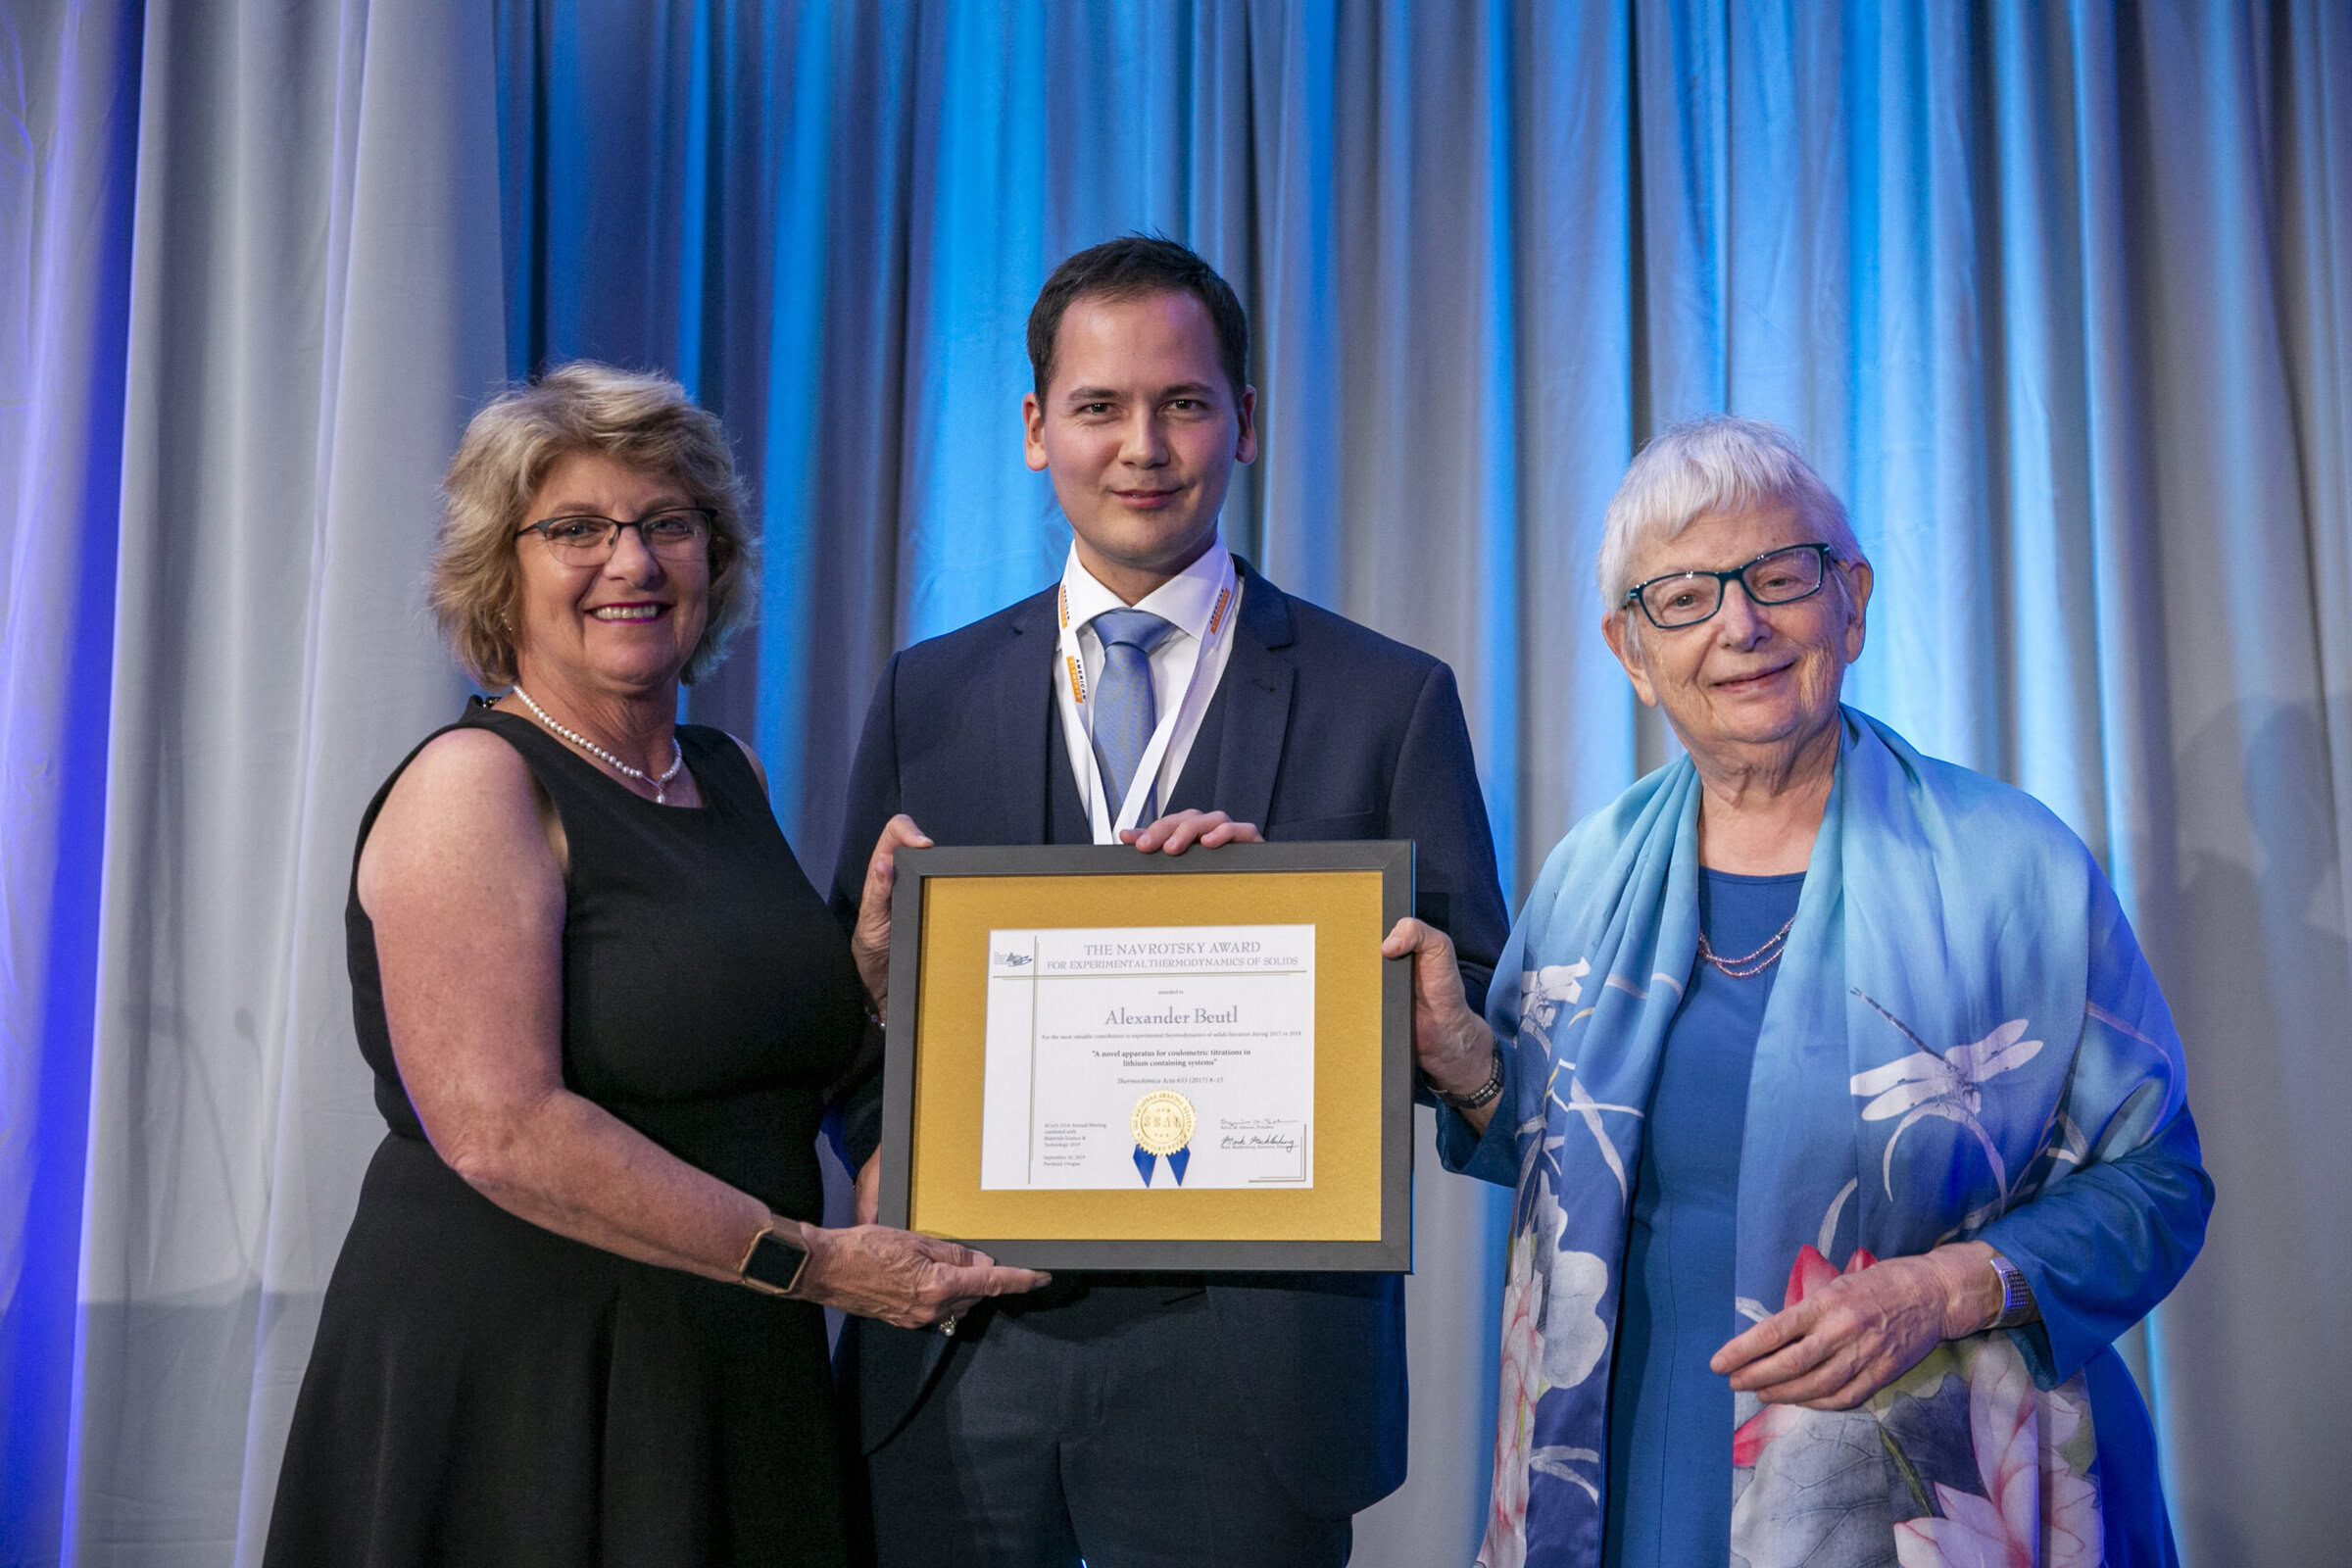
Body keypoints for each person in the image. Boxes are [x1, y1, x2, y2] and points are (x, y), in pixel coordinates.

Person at [1388, 416, 2212, 1568]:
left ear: (1852, 601)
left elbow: (2161, 1184)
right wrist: (1465, 1061)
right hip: (1627, 1464)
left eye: (1779, 576)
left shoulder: (2013, 866)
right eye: (1684, 596)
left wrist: (1942, 1289)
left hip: (1939, 1491)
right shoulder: (1587, 876)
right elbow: (1546, 1154)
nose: (1741, 624)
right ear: (1633, 650)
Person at [264, 363, 1044, 1566]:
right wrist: (815, 1260)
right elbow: (501, 1128)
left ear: (714, 559)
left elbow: (751, 1043)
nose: (631, 563)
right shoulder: (475, 784)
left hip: (737, 1354)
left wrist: (874, 977)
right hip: (532, 1374)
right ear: (498, 568)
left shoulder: (727, 774)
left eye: (668, 525)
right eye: (576, 528)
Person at [830, 235, 1511, 1566]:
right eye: (1098, 406)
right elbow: (858, 1018)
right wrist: (876, 1089)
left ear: (1243, 422)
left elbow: (1469, 1014)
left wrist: (1377, 995)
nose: (1142, 443)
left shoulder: (1389, 698)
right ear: (1037, 430)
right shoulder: (930, 690)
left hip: (1251, 1370)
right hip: (970, 1348)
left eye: (1183, 402)